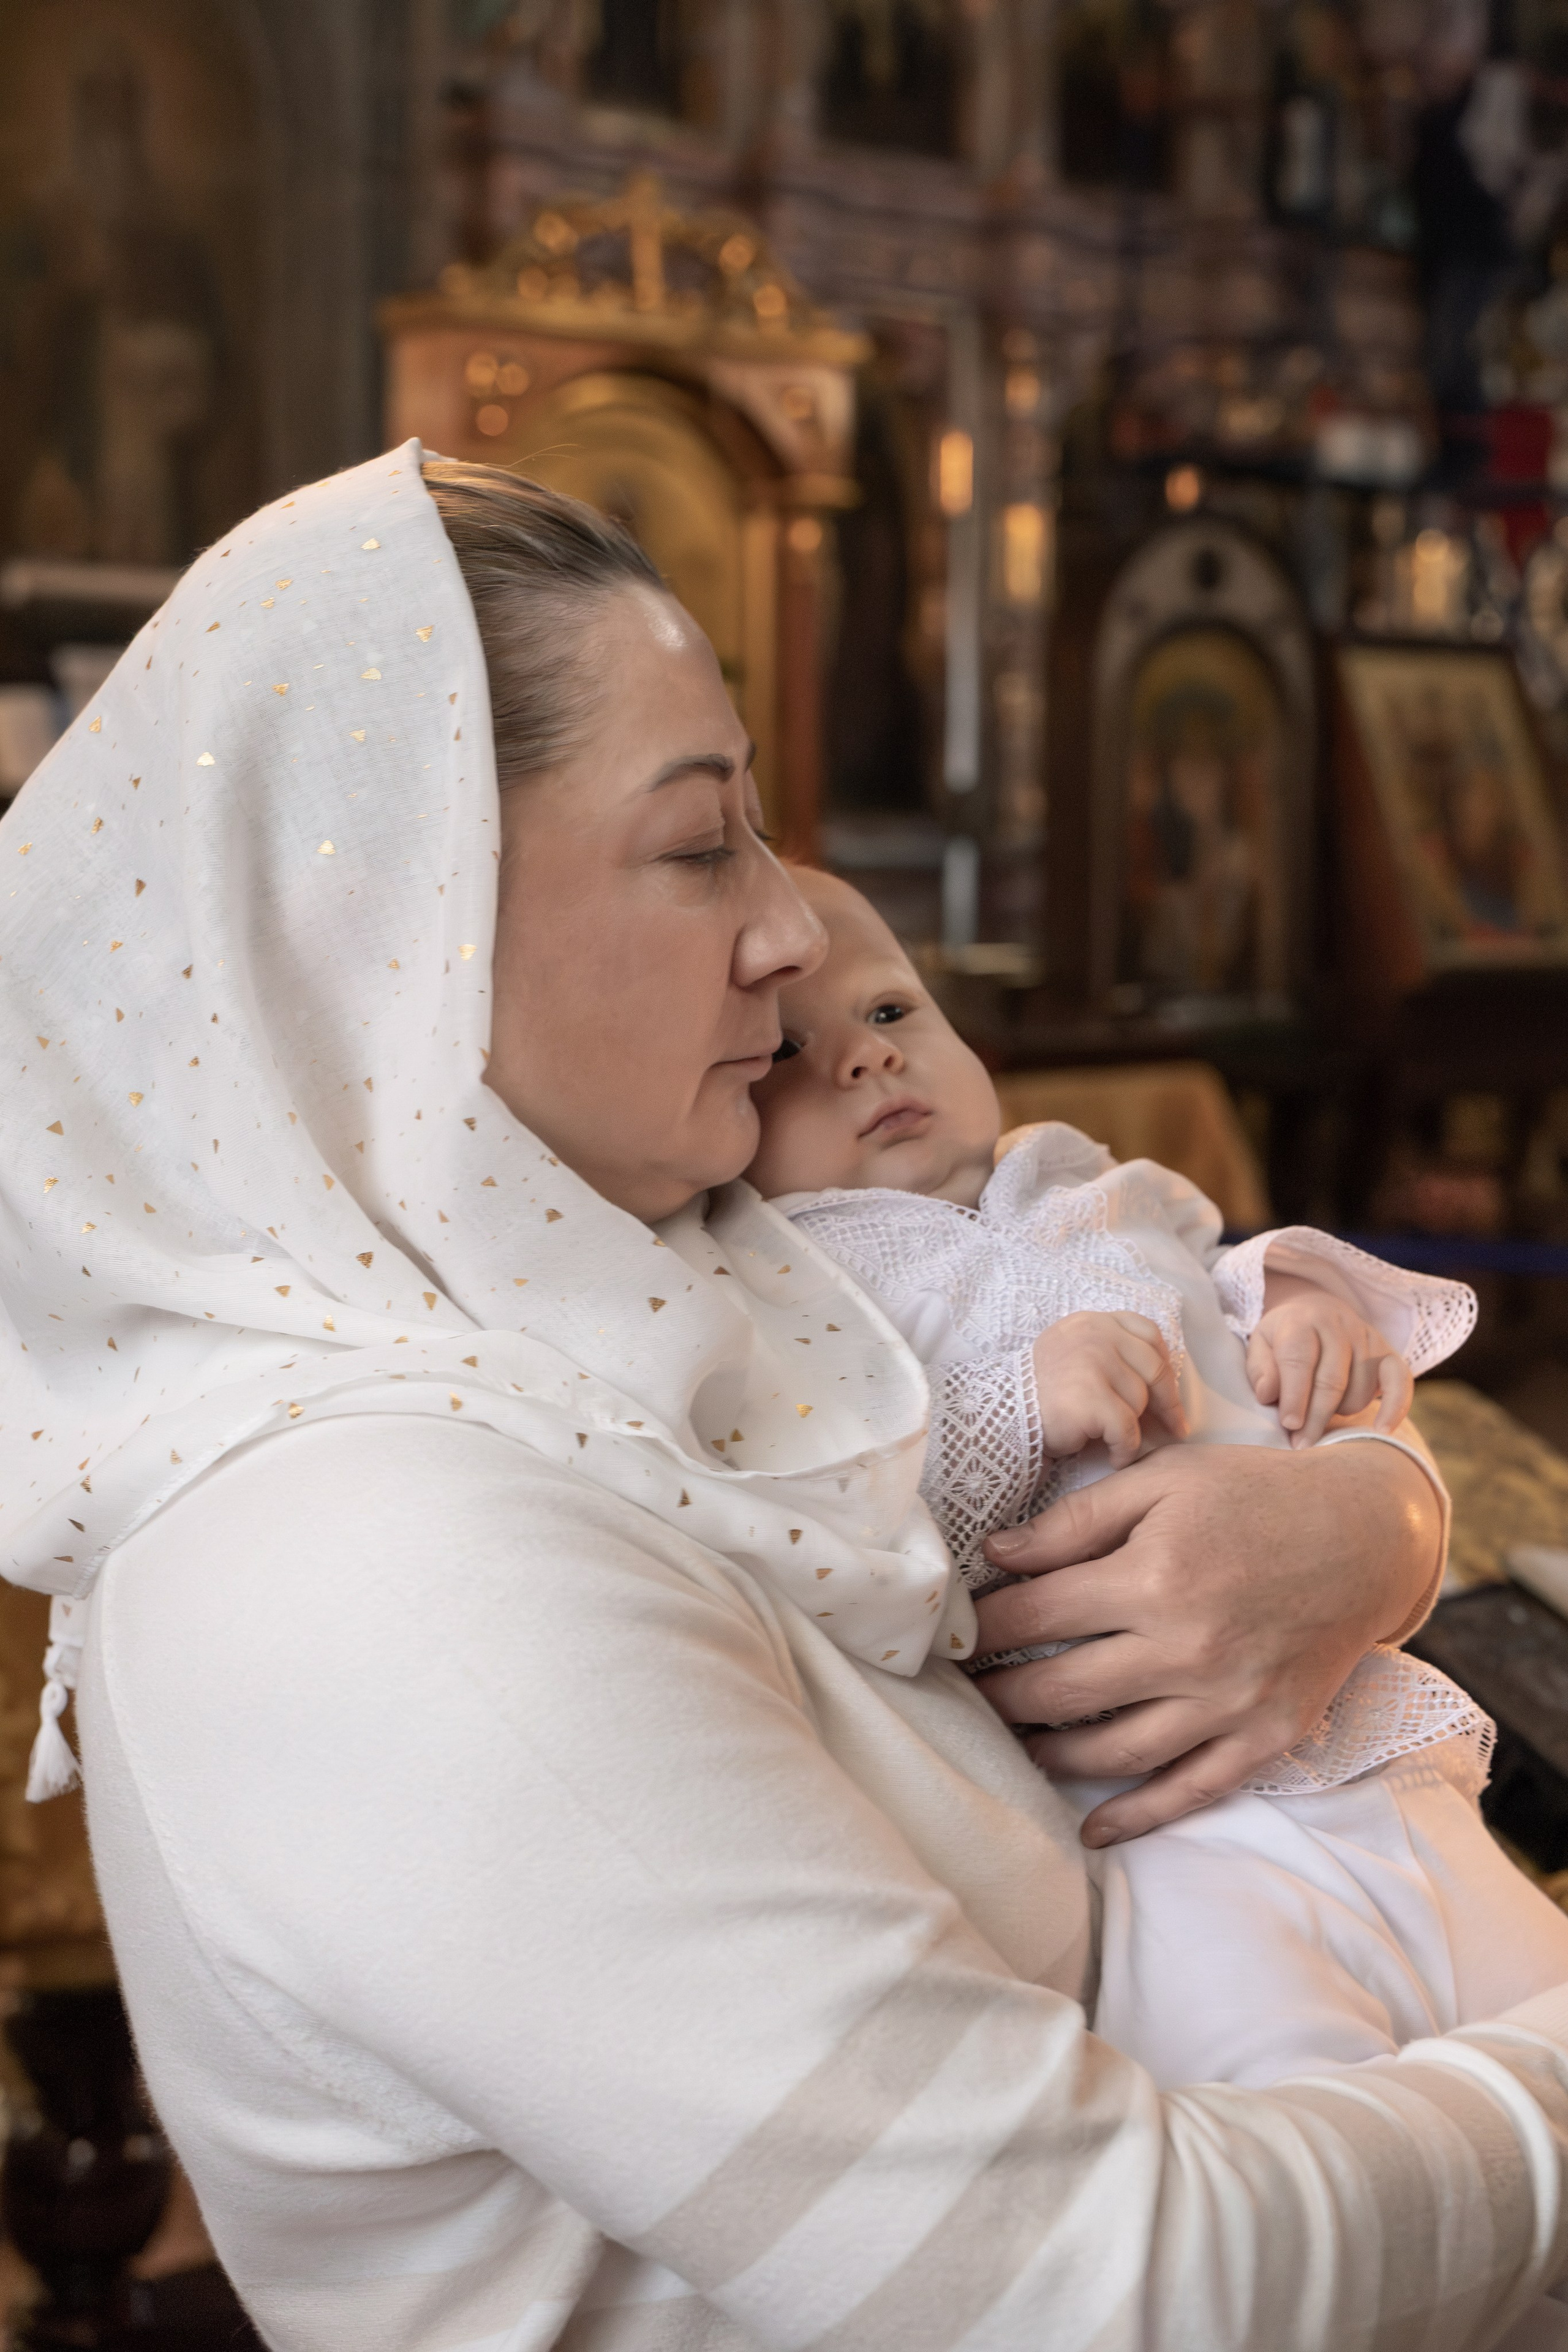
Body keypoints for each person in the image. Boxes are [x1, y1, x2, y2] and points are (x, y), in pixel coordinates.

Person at [7, 449, 1568, 2351]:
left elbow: (1152, 1344)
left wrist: (1364, 1527)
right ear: (411, 929)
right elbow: (1121, 2288)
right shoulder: (370, 1567)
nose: (788, 934)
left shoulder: (647, 1308)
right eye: (700, 846)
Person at [745, 865, 1568, 2090]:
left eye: (888, 1012)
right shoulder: (793, 1285)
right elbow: (863, 1533)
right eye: (787, 1056)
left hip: (1362, 1741)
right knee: (1299, 2115)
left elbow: (1219, 1267)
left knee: (1531, 2011)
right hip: (1161, 1830)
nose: (864, 1062)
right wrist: (1025, 1397)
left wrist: (1300, 1302)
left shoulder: (1091, 1180)